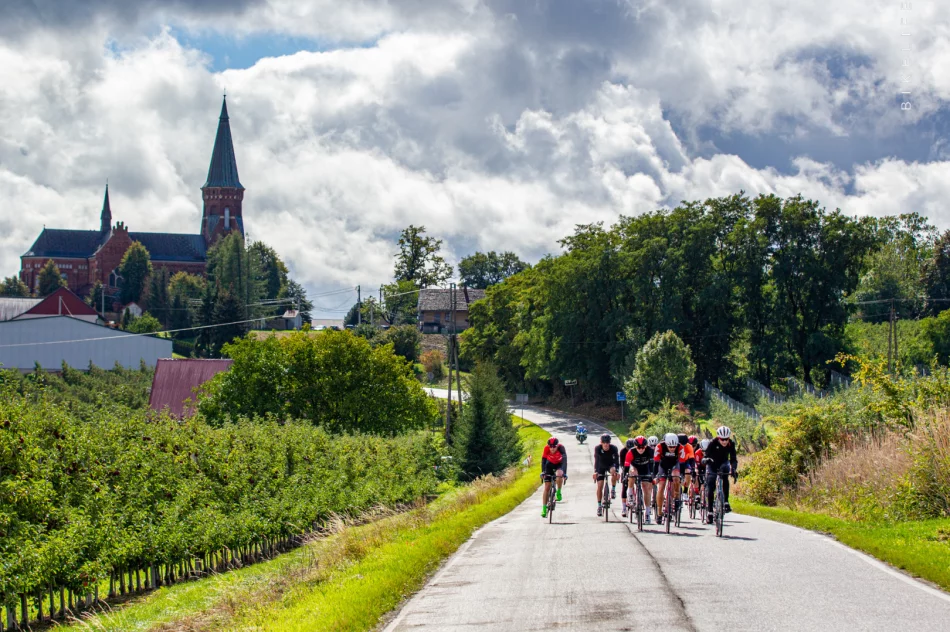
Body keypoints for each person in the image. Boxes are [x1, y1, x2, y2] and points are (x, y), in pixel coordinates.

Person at [703, 426, 738, 524]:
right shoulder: (712, 443)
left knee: (725, 476)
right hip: (712, 464)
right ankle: (710, 512)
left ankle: (726, 501)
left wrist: (734, 469)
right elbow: (706, 456)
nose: (724, 441)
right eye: (722, 439)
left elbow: (733, 459)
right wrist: (706, 460)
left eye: (726, 439)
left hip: (723, 463)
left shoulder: (731, 444)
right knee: (710, 486)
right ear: (718, 438)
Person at [653, 433, 688, 525]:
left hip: (674, 465)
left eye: (674, 446)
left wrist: (682, 476)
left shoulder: (680, 448)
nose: (672, 448)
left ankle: (676, 497)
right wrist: (655, 476)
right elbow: (656, 463)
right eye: (670, 446)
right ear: (666, 443)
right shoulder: (659, 446)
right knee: (661, 487)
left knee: (676, 477)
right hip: (663, 466)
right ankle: (659, 512)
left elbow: (682, 463)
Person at [623, 435, 655, 522]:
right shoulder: (631, 452)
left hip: (645, 468)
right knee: (632, 473)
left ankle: (647, 513)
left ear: (646, 446)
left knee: (646, 489)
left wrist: (652, 474)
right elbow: (626, 465)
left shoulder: (650, 451)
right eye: (638, 447)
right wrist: (625, 475)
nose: (641, 449)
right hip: (635, 467)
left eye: (643, 447)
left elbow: (653, 464)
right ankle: (630, 493)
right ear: (635, 446)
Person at [592, 433, 620, 517]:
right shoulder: (597, 448)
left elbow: (616, 461)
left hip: (610, 465)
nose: (606, 444)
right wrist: (596, 471)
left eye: (607, 442)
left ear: (609, 443)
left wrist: (617, 471)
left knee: (613, 471)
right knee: (600, 485)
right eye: (604, 442)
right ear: (601, 442)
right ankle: (599, 506)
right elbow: (596, 460)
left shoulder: (614, 448)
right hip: (601, 466)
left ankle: (613, 489)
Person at [540, 436, 568, 518]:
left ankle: (559, 492)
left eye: (554, 447)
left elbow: (564, 461)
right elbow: (543, 461)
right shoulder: (546, 449)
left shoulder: (561, 448)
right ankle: (544, 509)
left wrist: (564, 473)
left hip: (559, 464)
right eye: (550, 446)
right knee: (547, 487)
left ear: (557, 445)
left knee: (559, 473)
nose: (552, 448)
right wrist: (543, 472)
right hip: (549, 465)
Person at [677, 433, 695, 504]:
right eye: (681, 445)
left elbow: (692, 459)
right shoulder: (675, 446)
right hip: (677, 462)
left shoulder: (689, 446)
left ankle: (685, 491)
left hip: (685, 462)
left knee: (688, 471)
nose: (682, 446)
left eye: (684, 445)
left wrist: (693, 468)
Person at [619, 438, 634, 515]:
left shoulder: (636, 451)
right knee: (624, 487)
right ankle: (624, 508)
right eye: (628, 448)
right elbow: (621, 464)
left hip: (635, 468)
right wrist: (625, 473)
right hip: (626, 468)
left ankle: (638, 499)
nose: (630, 450)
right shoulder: (623, 451)